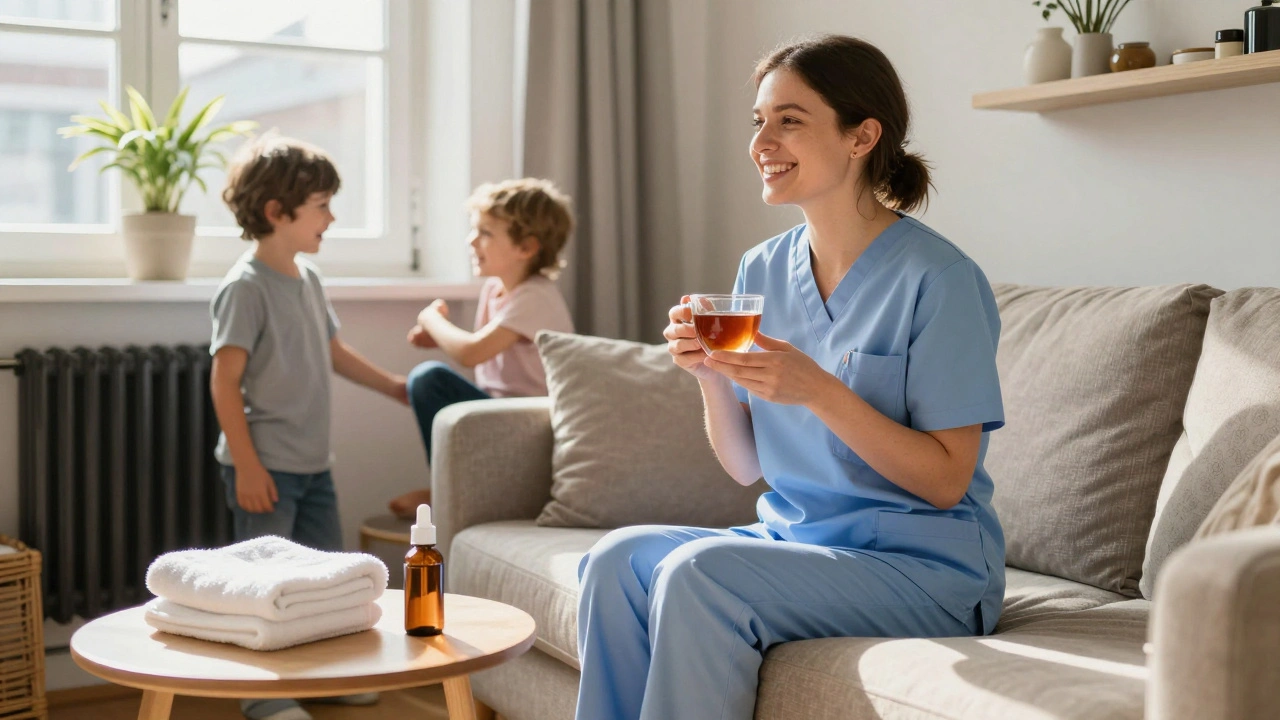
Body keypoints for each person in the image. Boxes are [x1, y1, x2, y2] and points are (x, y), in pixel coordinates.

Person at [574, 35, 1007, 720]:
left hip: (925, 568)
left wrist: (818, 390)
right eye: (759, 121)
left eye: (790, 120)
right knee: (616, 560)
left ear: (862, 136)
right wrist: (710, 376)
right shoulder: (762, 269)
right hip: (798, 542)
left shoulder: (940, 279)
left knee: (699, 573)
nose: (761, 143)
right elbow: (747, 466)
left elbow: (946, 480)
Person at [210, 137, 408, 720]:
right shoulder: (245, 288)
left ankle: (324, 678)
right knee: (266, 585)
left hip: (314, 464)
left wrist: (394, 386)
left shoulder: (309, 278)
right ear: (277, 211)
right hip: (266, 468)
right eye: (321, 205)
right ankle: (263, 693)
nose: (331, 217)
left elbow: (334, 352)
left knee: (324, 581)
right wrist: (248, 466)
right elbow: (224, 383)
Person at [387, 178, 575, 519]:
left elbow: (471, 353)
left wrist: (432, 320)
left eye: (485, 233)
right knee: (428, 382)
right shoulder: (495, 289)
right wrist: (439, 338)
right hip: (499, 415)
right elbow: (487, 350)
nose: (471, 241)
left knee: (429, 379)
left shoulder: (536, 296)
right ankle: (449, 484)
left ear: (526, 247)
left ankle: (444, 487)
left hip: (532, 426)